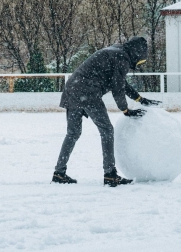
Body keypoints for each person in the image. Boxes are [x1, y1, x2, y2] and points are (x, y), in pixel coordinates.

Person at [52, 36, 161, 187]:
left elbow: (120, 83)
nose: (138, 63)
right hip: (87, 93)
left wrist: (139, 99)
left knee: (73, 133)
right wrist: (125, 110)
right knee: (107, 130)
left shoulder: (117, 52)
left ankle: (59, 173)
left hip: (72, 89)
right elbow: (118, 88)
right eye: (140, 60)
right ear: (137, 53)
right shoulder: (121, 57)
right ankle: (110, 174)